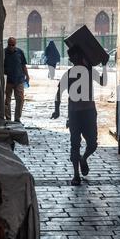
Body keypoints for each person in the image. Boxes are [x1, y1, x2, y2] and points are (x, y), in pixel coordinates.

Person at [51, 45, 108, 186]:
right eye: (74, 57)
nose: (77, 59)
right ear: (72, 59)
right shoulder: (69, 74)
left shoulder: (89, 71)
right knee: (74, 145)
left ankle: (83, 159)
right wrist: (57, 110)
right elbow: (58, 93)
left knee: (93, 144)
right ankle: (76, 175)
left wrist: (105, 66)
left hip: (88, 112)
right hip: (75, 114)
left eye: (78, 55)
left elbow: (103, 82)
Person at [4, 37, 30, 123]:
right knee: (6, 100)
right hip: (7, 81)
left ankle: (17, 118)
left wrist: (27, 76)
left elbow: (23, 65)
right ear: (7, 44)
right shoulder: (3, 53)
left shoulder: (20, 52)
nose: (11, 46)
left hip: (19, 80)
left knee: (20, 99)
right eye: (9, 44)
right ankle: (8, 118)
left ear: (15, 44)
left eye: (13, 45)